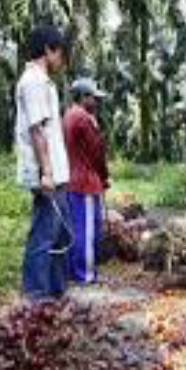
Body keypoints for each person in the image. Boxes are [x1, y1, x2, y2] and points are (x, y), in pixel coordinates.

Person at [15, 25, 70, 299]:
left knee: (58, 233)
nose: (61, 59)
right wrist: (46, 172)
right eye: (60, 53)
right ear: (48, 49)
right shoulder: (33, 82)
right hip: (47, 173)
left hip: (56, 171)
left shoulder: (43, 81)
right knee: (44, 233)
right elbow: (37, 130)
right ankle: (36, 296)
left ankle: (56, 291)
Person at [63, 77, 109, 284]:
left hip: (71, 180)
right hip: (86, 182)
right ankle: (86, 275)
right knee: (87, 231)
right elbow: (96, 152)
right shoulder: (84, 118)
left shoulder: (68, 115)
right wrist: (104, 177)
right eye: (93, 98)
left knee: (76, 228)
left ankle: (73, 272)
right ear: (83, 97)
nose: (96, 102)